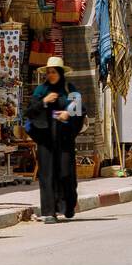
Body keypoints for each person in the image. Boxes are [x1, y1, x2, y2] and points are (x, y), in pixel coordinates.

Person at [25, 57, 84, 223]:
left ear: (60, 73)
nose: (51, 75)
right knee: (47, 174)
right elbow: (29, 112)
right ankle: (49, 212)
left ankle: (68, 205)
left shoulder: (69, 89)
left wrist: (68, 113)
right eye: (49, 72)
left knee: (66, 173)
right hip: (45, 138)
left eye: (54, 72)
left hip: (64, 138)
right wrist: (44, 102)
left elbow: (80, 109)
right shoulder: (40, 91)